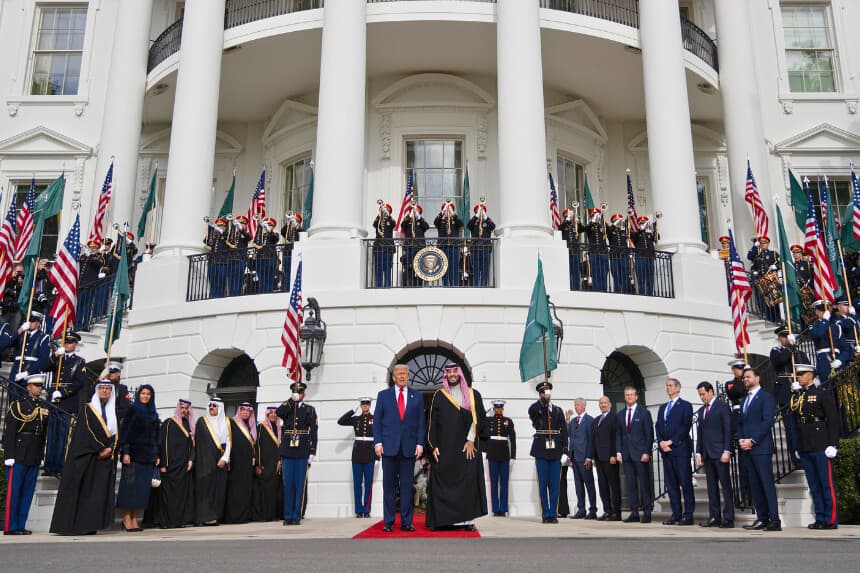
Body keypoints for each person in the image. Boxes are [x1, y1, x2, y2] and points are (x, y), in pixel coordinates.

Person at [50, 382, 119, 535]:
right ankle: (74, 526)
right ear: (97, 390)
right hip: (86, 457)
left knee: (95, 494)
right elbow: (87, 432)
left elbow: (115, 434)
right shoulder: (88, 409)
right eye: (102, 388)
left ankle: (89, 526)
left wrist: (110, 448)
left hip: (102, 460)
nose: (105, 391)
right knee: (82, 491)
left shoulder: (113, 412)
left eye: (108, 389)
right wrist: (102, 447)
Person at [426, 364, 488, 531]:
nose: (452, 374)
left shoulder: (473, 394)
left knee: (467, 484)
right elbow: (432, 422)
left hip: (467, 448)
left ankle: (467, 521)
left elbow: (479, 419)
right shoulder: (439, 395)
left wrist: (471, 440)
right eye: (449, 372)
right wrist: (433, 446)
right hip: (445, 449)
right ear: (446, 375)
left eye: (455, 371)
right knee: (443, 482)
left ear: (460, 374)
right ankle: (444, 521)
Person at [373, 364, 425, 532]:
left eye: (405, 374)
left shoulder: (416, 396)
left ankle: (406, 522)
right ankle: (388, 521)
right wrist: (378, 443)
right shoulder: (383, 396)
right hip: (388, 448)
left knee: (407, 486)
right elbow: (377, 422)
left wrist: (420, 444)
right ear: (394, 377)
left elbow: (421, 423)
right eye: (399, 374)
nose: (402, 376)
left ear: (408, 377)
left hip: (409, 448)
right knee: (388, 486)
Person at [790, 363, 840, 530]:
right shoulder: (798, 396)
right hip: (806, 444)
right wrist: (798, 445)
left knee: (826, 483)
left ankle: (830, 519)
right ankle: (820, 517)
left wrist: (833, 444)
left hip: (820, 443)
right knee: (814, 484)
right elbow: (795, 421)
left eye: (803, 373)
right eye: (798, 374)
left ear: (811, 375)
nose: (799, 377)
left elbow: (833, 420)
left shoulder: (821, 394)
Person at [3, 374, 47, 535]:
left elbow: (42, 434)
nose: (39, 388)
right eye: (36, 385)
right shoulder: (18, 405)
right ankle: (11, 526)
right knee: (15, 491)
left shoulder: (42, 406)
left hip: (33, 454)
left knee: (27, 492)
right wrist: (9, 454)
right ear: (28, 387)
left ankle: (20, 524)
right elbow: (10, 432)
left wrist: (41, 455)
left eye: (40, 386)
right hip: (19, 453)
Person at [738, 366, 781, 531]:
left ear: (757, 378)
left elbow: (767, 421)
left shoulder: (766, 397)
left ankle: (774, 520)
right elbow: (741, 423)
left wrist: (753, 440)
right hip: (747, 448)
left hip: (760, 447)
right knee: (754, 485)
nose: (745, 379)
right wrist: (742, 439)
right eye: (744, 378)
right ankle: (762, 518)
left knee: (766, 483)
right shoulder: (744, 400)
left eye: (748, 376)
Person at [116, 384, 160, 532]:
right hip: (133, 455)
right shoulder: (132, 410)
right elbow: (126, 432)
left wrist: (157, 454)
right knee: (130, 487)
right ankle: (126, 518)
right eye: (143, 393)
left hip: (147, 457)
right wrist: (126, 451)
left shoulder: (154, 413)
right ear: (139, 395)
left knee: (141, 489)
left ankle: (135, 518)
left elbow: (156, 436)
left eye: (148, 394)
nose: (145, 396)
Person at [44, 330, 87, 477]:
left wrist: (62, 392)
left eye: (70, 342)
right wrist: (55, 355)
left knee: (62, 435)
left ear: (75, 344)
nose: (67, 345)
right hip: (53, 402)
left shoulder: (79, 361)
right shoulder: (58, 358)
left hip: (67, 401)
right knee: (52, 434)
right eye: (65, 342)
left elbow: (79, 382)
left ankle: (60, 467)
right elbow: (43, 367)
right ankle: (49, 466)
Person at [655, 377, 695, 525]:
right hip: (666, 451)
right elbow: (658, 426)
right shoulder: (662, 407)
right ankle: (676, 513)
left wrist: (671, 441)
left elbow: (685, 427)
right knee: (671, 485)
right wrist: (661, 442)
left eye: (670, 385)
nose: (668, 388)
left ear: (678, 388)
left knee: (685, 483)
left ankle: (688, 515)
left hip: (680, 449)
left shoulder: (685, 406)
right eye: (667, 386)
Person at [277, 381, 318, 526]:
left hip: (302, 450)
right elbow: (278, 413)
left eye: (300, 392)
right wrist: (290, 401)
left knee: (299, 484)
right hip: (288, 449)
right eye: (295, 392)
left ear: (304, 394)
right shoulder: (288, 408)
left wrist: (312, 453)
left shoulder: (310, 410)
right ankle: (287, 515)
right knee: (288, 484)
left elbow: (314, 432)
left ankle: (296, 515)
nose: (298, 394)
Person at [695, 381, 734, 528]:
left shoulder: (722, 407)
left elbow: (728, 429)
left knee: (725, 486)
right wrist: (698, 452)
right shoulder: (701, 411)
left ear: (711, 392)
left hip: (720, 453)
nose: (702, 397)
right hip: (707, 454)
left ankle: (729, 517)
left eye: (703, 394)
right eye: (700, 395)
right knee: (711, 488)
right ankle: (714, 516)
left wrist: (727, 450)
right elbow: (700, 434)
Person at [769, 324, 810, 466]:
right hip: (785, 391)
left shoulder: (799, 353)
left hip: (800, 390)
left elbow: (809, 369)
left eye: (789, 336)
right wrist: (790, 348)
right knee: (791, 427)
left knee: (804, 425)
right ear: (780, 338)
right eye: (785, 336)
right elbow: (779, 361)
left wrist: (801, 381)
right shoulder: (776, 351)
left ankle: (806, 452)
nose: (788, 338)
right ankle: (796, 457)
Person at [528, 381, 568, 524]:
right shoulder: (537, 409)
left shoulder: (557, 410)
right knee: (543, 482)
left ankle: (553, 513)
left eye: (548, 392)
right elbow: (531, 412)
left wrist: (565, 451)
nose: (547, 394)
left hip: (556, 449)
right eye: (544, 392)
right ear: (540, 394)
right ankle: (546, 513)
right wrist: (541, 402)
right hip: (541, 449)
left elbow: (564, 431)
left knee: (555, 483)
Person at [152, 399, 195, 529]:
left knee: (180, 495)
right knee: (168, 495)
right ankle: (166, 521)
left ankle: (178, 521)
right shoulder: (169, 423)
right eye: (182, 408)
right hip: (170, 465)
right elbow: (162, 444)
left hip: (183, 465)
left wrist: (191, 460)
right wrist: (163, 464)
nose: (184, 410)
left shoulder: (189, 424)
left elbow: (192, 445)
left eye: (187, 408)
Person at [616, 386, 654, 524]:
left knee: (644, 484)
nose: (629, 397)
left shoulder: (644, 413)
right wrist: (618, 451)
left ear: (636, 396)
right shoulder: (620, 414)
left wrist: (646, 452)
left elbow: (649, 434)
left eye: (632, 395)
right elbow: (619, 434)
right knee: (630, 484)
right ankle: (634, 513)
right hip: (626, 455)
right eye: (627, 395)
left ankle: (647, 512)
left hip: (640, 454)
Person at [195, 397, 231, 526]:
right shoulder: (202, 422)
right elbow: (199, 444)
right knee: (204, 489)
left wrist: (225, 458)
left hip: (220, 460)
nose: (211, 408)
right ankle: (203, 517)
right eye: (210, 405)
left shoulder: (226, 422)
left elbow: (229, 441)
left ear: (220, 408)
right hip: (205, 461)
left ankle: (215, 517)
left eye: (214, 406)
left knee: (218, 489)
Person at [337, 397, 376, 518]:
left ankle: (367, 509)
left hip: (370, 453)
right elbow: (341, 421)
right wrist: (353, 411)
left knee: (368, 483)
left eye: (367, 404)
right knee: (357, 483)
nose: (365, 406)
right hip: (357, 453)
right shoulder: (356, 419)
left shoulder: (375, 419)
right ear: (361, 405)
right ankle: (359, 510)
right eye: (363, 404)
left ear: (370, 405)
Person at [224, 402, 256, 524]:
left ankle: (243, 516)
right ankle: (233, 516)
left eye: (248, 411)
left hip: (247, 463)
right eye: (243, 410)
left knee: (245, 489)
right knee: (234, 489)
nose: (245, 413)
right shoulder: (232, 423)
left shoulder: (251, 425)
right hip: (235, 461)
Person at [9, 311, 51, 399]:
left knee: (26, 403)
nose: (30, 323)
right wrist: (20, 330)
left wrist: (28, 372)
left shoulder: (43, 337)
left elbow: (43, 359)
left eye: (32, 321)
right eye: (28, 321)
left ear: (38, 323)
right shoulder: (21, 334)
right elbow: (8, 343)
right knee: (12, 401)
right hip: (15, 372)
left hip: (30, 375)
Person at [484, 400, 516, 517]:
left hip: (504, 454)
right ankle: (495, 509)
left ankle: (503, 508)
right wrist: (485, 411)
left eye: (500, 408)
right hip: (492, 453)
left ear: (502, 409)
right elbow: (478, 421)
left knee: (504, 482)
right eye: (496, 408)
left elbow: (512, 439)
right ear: (494, 409)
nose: (498, 410)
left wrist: (513, 456)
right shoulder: (488, 420)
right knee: (493, 482)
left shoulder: (508, 421)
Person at [567, 398, 597, 520]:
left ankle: (593, 509)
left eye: (578, 405)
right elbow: (570, 438)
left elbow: (591, 440)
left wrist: (589, 457)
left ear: (584, 406)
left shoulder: (590, 420)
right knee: (578, 485)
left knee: (589, 485)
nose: (576, 407)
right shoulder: (574, 421)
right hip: (575, 458)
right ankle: (581, 509)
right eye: (575, 405)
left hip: (585, 458)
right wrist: (570, 457)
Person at [810, 300, 851, 387]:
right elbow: (817, 335)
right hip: (824, 360)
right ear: (816, 312)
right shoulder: (814, 326)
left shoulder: (836, 326)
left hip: (837, 359)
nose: (824, 312)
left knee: (841, 389)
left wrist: (840, 359)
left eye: (826, 310)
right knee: (827, 388)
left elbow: (845, 348)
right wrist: (825, 321)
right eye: (821, 310)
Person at [252, 406, 283, 522]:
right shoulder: (260, 427)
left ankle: (272, 514)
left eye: (275, 413)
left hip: (275, 464)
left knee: (273, 489)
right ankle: (263, 515)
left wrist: (280, 460)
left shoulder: (280, 428)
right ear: (267, 414)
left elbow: (281, 447)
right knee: (263, 490)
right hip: (264, 464)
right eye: (271, 413)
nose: (273, 415)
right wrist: (258, 463)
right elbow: (257, 446)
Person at [592, 396, 620, 521]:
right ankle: (607, 511)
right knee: (603, 486)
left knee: (613, 486)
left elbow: (616, 437)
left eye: (605, 403)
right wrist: (592, 456)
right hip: (599, 458)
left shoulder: (614, 418)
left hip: (610, 457)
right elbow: (594, 440)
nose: (603, 405)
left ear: (610, 404)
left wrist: (614, 454)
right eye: (601, 403)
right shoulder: (596, 420)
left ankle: (616, 512)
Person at [434, 200, 463, 287]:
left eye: (448, 210)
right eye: (446, 210)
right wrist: (442, 213)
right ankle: (446, 285)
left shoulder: (455, 220)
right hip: (443, 247)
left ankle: (454, 284)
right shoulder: (441, 221)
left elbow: (461, 224)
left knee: (454, 266)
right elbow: (435, 222)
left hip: (454, 246)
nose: (447, 212)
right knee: (444, 267)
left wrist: (453, 214)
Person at [467, 202, 496, 287]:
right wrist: (476, 216)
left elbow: (493, 227)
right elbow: (468, 226)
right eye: (478, 211)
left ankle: (484, 285)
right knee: (476, 269)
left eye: (482, 211)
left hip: (485, 248)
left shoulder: (487, 220)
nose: (480, 212)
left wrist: (485, 217)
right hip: (475, 248)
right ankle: (476, 285)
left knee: (485, 269)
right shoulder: (474, 221)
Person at [400, 203, 429, 288]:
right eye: (413, 210)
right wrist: (409, 216)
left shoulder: (421, 221)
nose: (414, 211)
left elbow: (426, 227)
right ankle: (410, 284)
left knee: (419, 266)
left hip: (419, 247)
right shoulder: (408, 221)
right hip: (409, 247)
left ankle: (419, 285)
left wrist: (419, 217)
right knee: (409, 266)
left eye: (416, 210)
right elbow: (403, 226)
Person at [631, 215, 657, 296]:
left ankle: (650, 294)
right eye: (641, 223)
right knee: (641, 278)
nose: (643, 224)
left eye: (644, 223)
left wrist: (653, 229)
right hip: (640, 257)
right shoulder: (636, 233)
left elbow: (657, 237)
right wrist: (640, 230)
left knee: (650, 277)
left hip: (649, 257)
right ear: (638, 224)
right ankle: (642, 294)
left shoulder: (649, 234)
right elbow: (633, 238)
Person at [372, 202, 396, 288]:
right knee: (378, 269)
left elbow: (394, 224)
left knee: (387, 269)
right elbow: (374, 225)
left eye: (386, 209)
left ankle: (387, 286)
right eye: (382, 210)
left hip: (388, 248)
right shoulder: (378, 220)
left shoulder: (390, 220)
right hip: (378, 248)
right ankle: (378, 286)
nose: (383, 211)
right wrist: (379, 215)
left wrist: (388, 215)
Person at [585, 207, 609, 292]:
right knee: (596, 273)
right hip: (594, 253)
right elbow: (586, 230)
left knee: (604, 273)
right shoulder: (590, 226)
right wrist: (592, 221)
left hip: (603, 252)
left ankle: (604, 290)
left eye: (596, 215)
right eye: (593, 215)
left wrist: (603, 221)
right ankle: (597, 290)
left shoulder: (603, 225)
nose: (595, 216)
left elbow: (610, 231)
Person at [204, 217, 229, 298]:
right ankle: (212, 298)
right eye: (217, 225)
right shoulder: (213, 237)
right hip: (212, 263)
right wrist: (210, 229)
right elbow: (205, 241)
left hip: (222, 262)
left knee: (221, 283)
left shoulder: (226, 235)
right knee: (212, 282)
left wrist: (218, 229)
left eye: (221, 225)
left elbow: (226, 236)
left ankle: (219, 298)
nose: (219, 226)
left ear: (225, 226)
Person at [559, 208, 584, 290]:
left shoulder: (575, 226)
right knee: (569, 271)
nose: (571, 217)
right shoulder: (564, 225)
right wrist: (567, 220)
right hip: (567, 251)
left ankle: (576, 288)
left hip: (575, 251)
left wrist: (578, 222)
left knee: (576, 271)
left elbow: (583, 229)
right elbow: (560, 229)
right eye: (569, 215)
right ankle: (570, 288)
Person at [254, 217, 279, 294]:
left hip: (270, 259)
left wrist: (269, 230)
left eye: (270, 224)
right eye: (266, 224)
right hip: (260, 260)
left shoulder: (275, 234)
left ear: (273, 226)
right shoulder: (260, 235)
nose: (267, 225)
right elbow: (255, 242)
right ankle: (261, 296)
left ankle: (268, 296)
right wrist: (260, 227)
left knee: (269, 281)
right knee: (261, 281)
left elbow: (275, 239)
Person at [607, 213, 631, 293]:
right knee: (616, 276)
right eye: (617, 220)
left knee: (625, 275)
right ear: (613, 221)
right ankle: (617, 292)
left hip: (624, 256)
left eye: (620, 220)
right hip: (615, 256)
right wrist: (614, 224)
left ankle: (625, 292)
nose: (619, 222)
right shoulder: (611, 230)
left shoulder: (624, 231)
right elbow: (608, 231)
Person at [280, 212, 302, 289]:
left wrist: (296, 227)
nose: (293, 222)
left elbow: (301, 234)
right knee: (287, 273)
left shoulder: (300, 230)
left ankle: (293, 288)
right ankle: (286, 288)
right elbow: (282, 232)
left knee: (294, 273)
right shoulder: (287, 230)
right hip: (287, 254)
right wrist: (288, 223)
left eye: (295, 220)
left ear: (299, 222)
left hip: (296, 255)